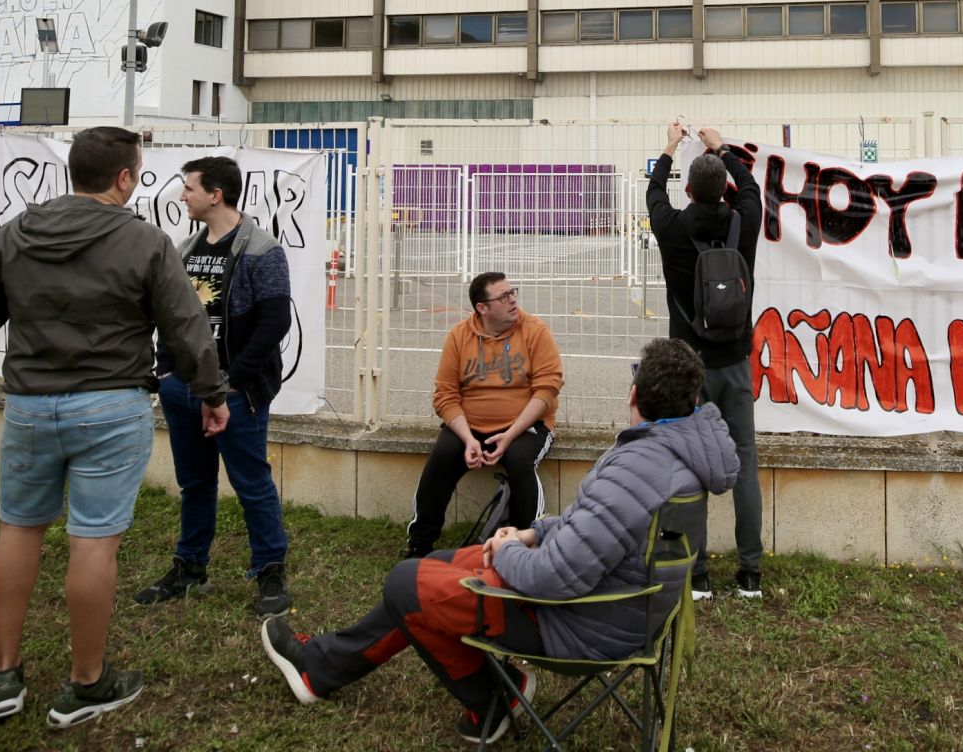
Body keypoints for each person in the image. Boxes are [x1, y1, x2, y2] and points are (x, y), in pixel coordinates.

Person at [261, 336, 736, 744]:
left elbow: (554, 576)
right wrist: (533, 531)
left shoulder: (640, 465)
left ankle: (494, 699)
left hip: (582, 623)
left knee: (410, 583)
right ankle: (319, 670)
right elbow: (605, 529)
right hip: (620, 607)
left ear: (634, 393)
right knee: (445, 561)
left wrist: (508, 549)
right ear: (692, 400)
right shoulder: (679, 453)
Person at [0, 126, 229, 728]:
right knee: (93, 541)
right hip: (110, 407)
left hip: (30, 406)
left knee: (18, 531)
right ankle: (85, 683)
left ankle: (4, 675)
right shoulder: (146, 240)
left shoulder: (18, 230)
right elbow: (186, 325)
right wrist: (211, 394)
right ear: (124, 178)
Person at [136, 155, 295, 617]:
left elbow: (274, 323)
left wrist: (228, 386)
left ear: (216, 195)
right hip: (182, 389)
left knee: (252, 484)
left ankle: (270, 571)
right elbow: (170, 319)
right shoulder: (184, 248)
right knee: (195, 484)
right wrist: (167, 372)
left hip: (237, 394)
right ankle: (189, 569)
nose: (182, 195)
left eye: (189, 188)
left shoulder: (261, 249)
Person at [646, 122, 764, 599]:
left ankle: (696, 577)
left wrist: (671, 144)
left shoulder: (672, 228)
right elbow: (752, 186)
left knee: (688, 467)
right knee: (745, 462)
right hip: (736, 359)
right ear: (724, 191)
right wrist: (722, 146)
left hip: (688, 367)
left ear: (689, 190)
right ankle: (751, 574)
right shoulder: (744, 220)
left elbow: (654, 188)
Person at [400, 270, 564, 563]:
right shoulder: (459, 336)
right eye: (503, 297)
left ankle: (524, 545)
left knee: (519, 461)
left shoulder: (536, 331)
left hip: (526, 424)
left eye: (513, 292)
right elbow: (445, 395)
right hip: (470, 424)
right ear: (482, 308)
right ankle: (420, 546)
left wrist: (511, 434)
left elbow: (547, 389)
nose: (513, 300)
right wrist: (466, 438)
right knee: (442, 457)